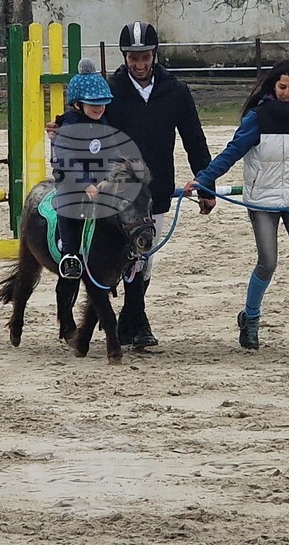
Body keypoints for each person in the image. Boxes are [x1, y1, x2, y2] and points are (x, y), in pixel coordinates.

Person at [183, 59, 289, 359]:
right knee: (267, 262)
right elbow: (232, 152)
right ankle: (250, 318)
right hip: (262, 201)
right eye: (281, 87)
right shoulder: (257, 118)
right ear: (273, 86)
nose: (286, 93)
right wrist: (204, 179)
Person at [103, 21, 216, 348]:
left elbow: (194, 139)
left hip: (159, 186)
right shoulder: (111, 91)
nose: (140, 64)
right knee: (128, 253)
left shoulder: (176, 92)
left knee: (145, 255)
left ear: (155, 55)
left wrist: (206, 185)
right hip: (121, 187)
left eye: (145, 57)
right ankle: (137, 321)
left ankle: (132, 319)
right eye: (133, 58)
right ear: (125, 56)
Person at [51, 58, 115, 280]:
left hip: (99, 181)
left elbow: (111, 151)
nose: (99, 108)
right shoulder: (69, 126)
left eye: (102, 103)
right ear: (78, 104)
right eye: (93, 104)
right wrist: (85, 183)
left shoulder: (104, 123)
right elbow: (67, 159)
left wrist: (109, 177)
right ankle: (70, 254)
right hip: (71, 181)